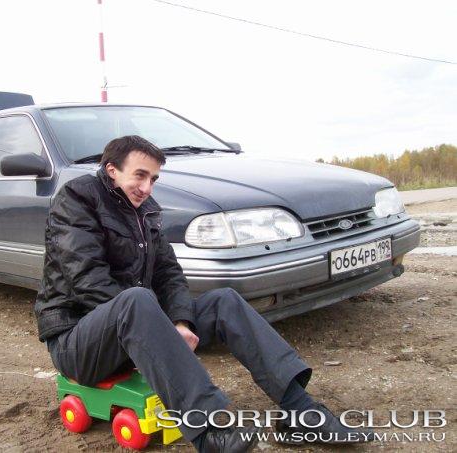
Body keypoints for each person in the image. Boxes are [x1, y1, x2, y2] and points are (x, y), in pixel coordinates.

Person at [35, 135, 372, 452]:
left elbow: (169, 274)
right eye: (140, 175)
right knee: (137, 301)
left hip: (136, 325)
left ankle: (300, 411)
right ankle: (209, 433)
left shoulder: (145, 210)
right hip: (78, 341)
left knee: (224, 301)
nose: (147, 187)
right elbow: (87, 278)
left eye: (153, 179)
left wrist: (180, 322)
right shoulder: (77, 199)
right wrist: (160, 324)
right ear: (112, 170)